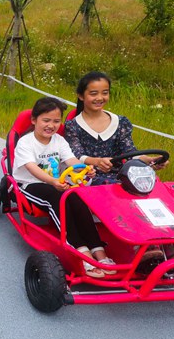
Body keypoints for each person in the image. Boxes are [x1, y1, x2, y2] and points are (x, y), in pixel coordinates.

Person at [13, 97, 116, 278]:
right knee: (58, 199)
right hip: (30, 184)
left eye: (55, 121)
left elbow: (71, 161)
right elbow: (31, 167)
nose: (50, 125)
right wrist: (52, 182)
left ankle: (99, 251)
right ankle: (80, 250)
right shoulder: (26, 142)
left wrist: (85, 170)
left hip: (56, 183)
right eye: (46, 120)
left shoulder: (59, 141)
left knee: (77, 198)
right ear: (34, 120)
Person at [64, 71, 169, 186]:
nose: (100, 98)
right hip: (88, 176)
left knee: (149, 185)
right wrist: (98, 162)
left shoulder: (120, 122)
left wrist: (150, 160)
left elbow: (130, 152)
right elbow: (77, 155)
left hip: (120, 175)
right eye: (93, 94)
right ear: (81, 95)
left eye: (105, 93)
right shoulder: (73, 125)